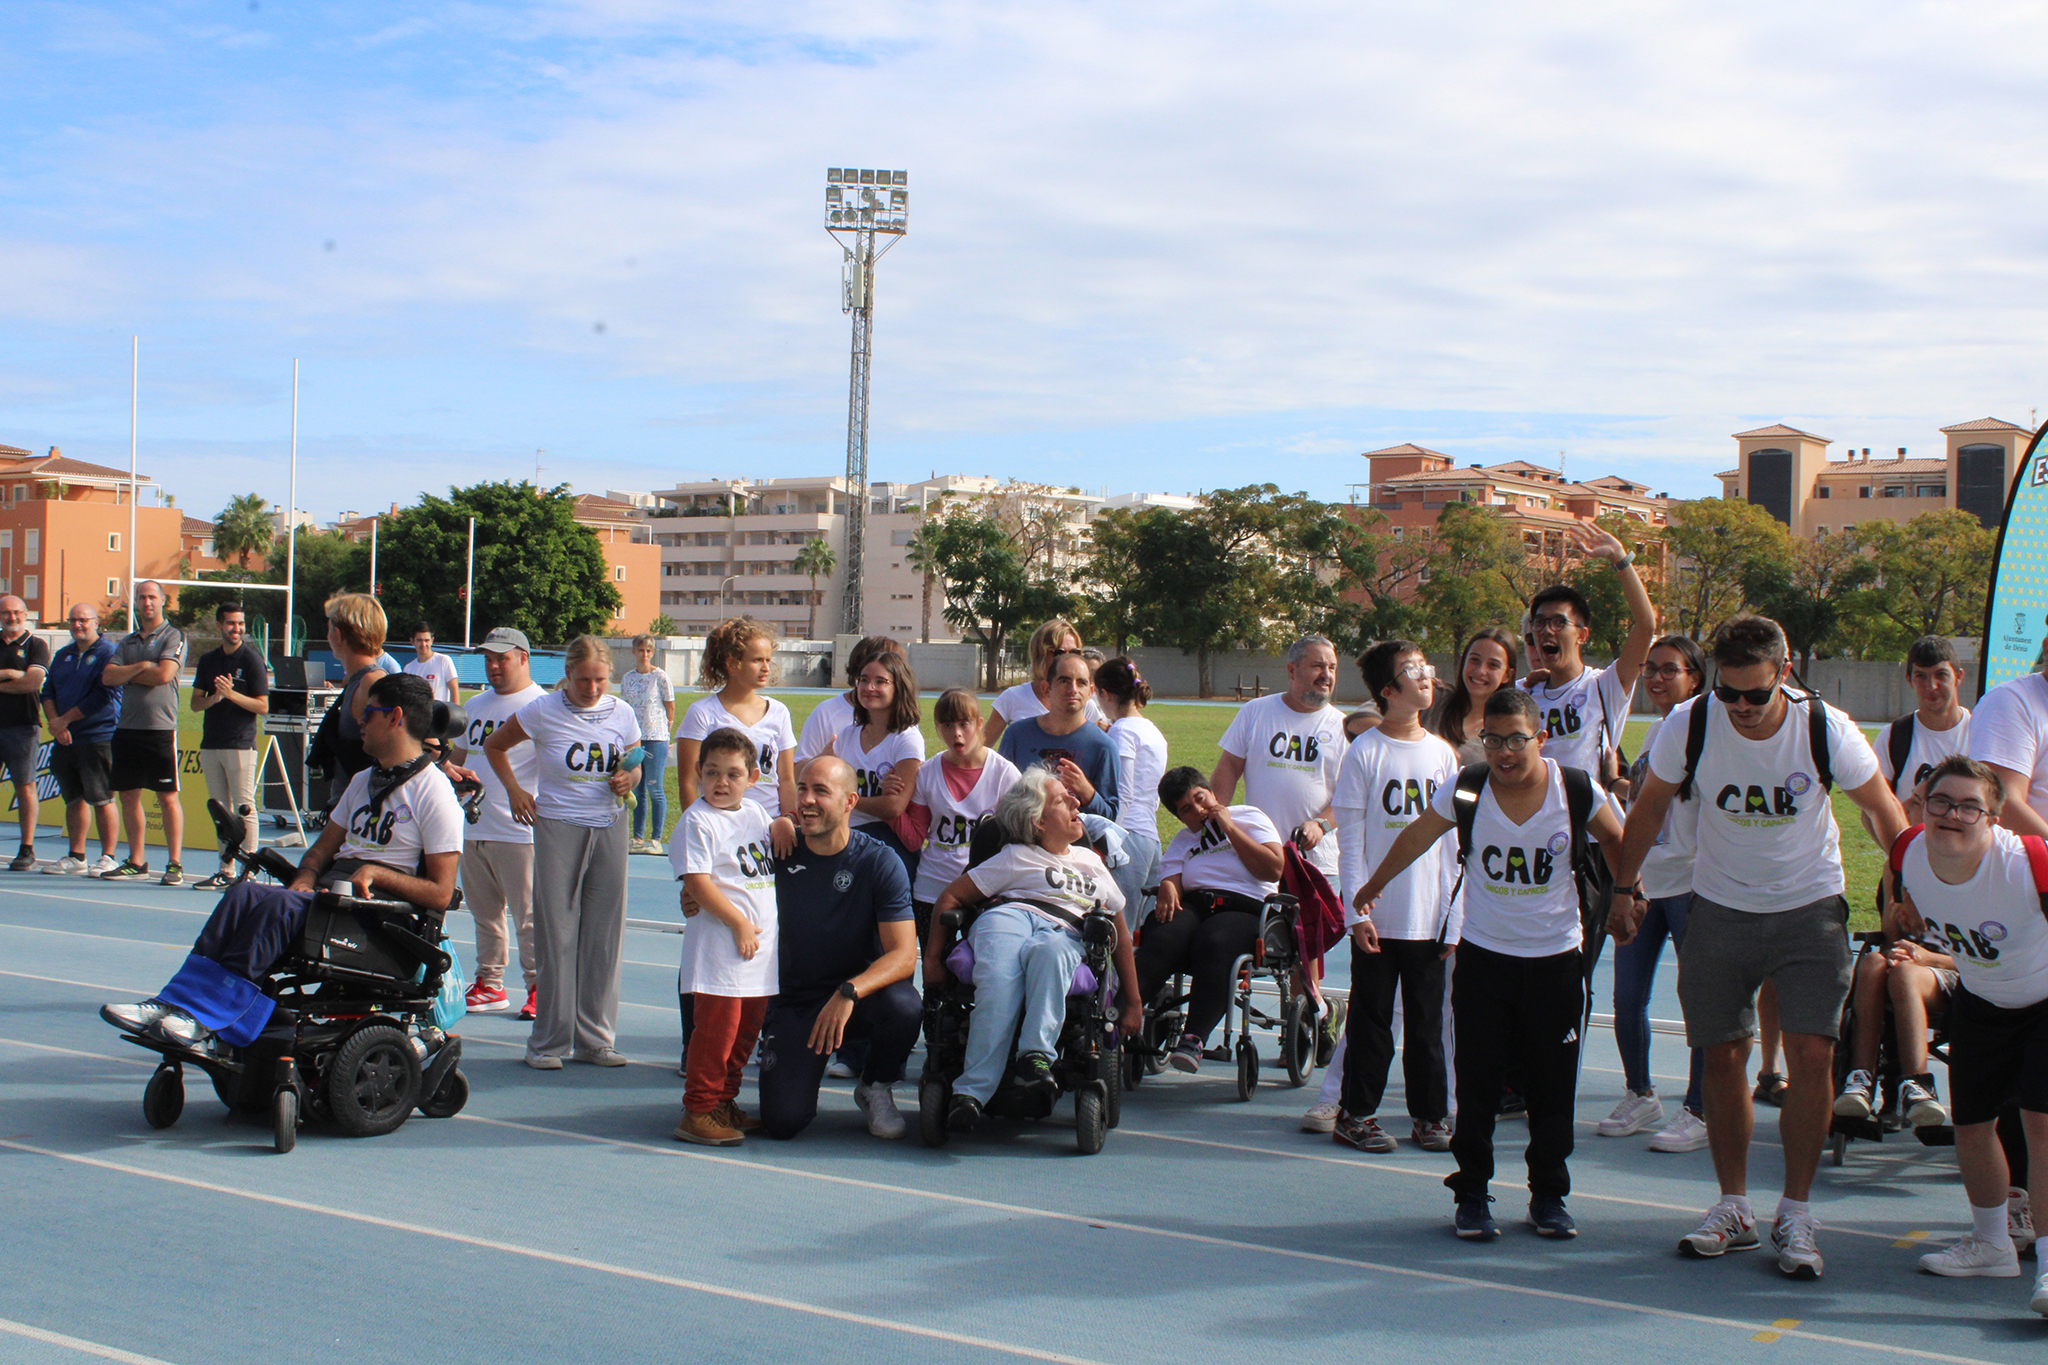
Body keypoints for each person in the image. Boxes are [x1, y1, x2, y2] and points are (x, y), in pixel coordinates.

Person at [1613, 614, 1907, 1280]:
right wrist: (1623, 889)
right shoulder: (1689, 722)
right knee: (1721, 1053)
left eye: (1756, 694)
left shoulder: (1823, 726)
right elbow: (1649, 807)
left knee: (1810, 1053)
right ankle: (1734, 1205)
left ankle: (1797, 1210)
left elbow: (1884, 810)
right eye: (1730, 693)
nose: (1742, 708)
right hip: (1718, 905)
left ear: (1786, 671)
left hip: (1810, 906)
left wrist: (1907, 890)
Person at [1355, 688, 1629, 1242]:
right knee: (1477, 1084)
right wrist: (1375, 883)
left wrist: (1628, 893)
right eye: (1494, 740)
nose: (1505, 753)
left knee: (1551, 1087)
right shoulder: (1468, 788)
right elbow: (1416, 835)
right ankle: (1473, 1193)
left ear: (1541, 738)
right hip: (1485, 958)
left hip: (1555, 960)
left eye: (1516, 741)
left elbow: (1621, 839)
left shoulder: (1575, 790)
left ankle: (1548, 1195)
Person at [99, 674, 461, 1049]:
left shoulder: (434, 793)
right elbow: (321, 850)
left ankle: (207, 1016)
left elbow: (440, 892)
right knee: (244, 894)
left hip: (376, 918)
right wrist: (305, 874)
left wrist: (375, 872)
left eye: (369, 713)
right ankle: (173, 1004)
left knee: (283, 905)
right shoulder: (362, 781)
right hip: (329, 899)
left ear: (395, 717)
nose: (360, 722)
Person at [1889, 757, 2048, 1314]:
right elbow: (1901, 900)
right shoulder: (1907, 851)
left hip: (2045, 1000)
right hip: (1982, 998)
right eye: (1940, 802)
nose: (1951, 815)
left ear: (1995, 819)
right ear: (1922, 804)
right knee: (1972, 1125)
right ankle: (1992, 1243)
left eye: (1968, 807)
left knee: (2039, 1123)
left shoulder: (2028, 863)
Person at [926, 766, 1142, 1131]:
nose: (1076, 802)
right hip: (1008, 917)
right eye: (1062, 800)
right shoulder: (1014, 856)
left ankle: (1035, 1057)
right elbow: (950, 896)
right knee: (998, 982)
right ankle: (971, 1094)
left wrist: (1133, 1001)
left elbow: (1118, 926)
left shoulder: (1091, 863)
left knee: (1052, 952)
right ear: (1039, 822)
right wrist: (932, 958)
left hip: (1065, 928)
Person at [485, 634, 641, 1069]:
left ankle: (596, 1040)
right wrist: (516, 790)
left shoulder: (623, 713)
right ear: (567, 675)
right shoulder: (542, 710)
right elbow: (494, 746)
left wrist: (630, 778)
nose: (592, 689)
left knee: (604, 937)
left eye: (601, 680)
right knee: (557, 935)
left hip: (609, 825)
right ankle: (549, 1042)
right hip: (557, 826)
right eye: (583, 680)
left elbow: (634, 760)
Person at [1328, 640, 1457, 1153]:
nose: (1426, 676)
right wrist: (1354, 912)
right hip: (1378, 918)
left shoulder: (1443, 753)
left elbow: (1454, 844)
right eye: (1412, 670)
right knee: (1372, 1021)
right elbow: (1351, 837)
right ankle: (1356, 1113)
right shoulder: (1366, 752)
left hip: (1429, 917)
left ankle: (1429, 1116)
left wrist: (1455, 915)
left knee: (1428, 1024)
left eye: (1427, 666)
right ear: (1387, 690)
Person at [1601, 634, 1711, 1152]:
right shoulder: (1653, 733)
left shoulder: (1705, 728)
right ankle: (1640, 1092)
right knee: (1627, 996)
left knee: (1700, 1000)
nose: (1657, 678)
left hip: (1693, 884)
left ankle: (1699, 1106)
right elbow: (1649, 802)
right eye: (1652, 669)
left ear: (1695, 676)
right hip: (1646, 880)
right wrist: (1620, 786)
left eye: (1670, 669)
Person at [670, 727, 796, 1146]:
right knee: (715, 1036)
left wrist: (780, 821)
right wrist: (738, 922)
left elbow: (766, 845)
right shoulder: (698, 821)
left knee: (745, 1036)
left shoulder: (755, 814)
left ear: (753, 777)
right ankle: (699, 1110)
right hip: (721, 953)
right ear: (698, 773)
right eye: (712, 773)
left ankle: (724, 1101)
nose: (721, 783)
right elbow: (698, 882)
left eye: (733, 774)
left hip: (759, 957)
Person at [1136, 766, 1287, 1074]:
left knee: (1214, 939)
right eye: (1187, 810)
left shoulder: (1249, 817)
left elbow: (1272, 870)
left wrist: (1229, 827)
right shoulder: (1184, 839)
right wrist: (1167, 884)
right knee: (1162, 933)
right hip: (1196, 906)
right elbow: (1172, 876)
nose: (1199, 811)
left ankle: (1194, 1037)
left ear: (1211, 793)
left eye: (1200, 799)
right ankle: (1122, 1011)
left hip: (1244, 908)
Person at [447, 626, 547, 1018]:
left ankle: (541, 986)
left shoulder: (540, 706)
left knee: (528, 917)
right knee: (484, 914)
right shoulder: (475, 705)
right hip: (474, 825)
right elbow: (459, 756)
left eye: (501, 658)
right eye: (488, 658)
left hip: (519, 830)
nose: (493, 666)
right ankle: (489, 983)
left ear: (523, 658)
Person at [1522, 522, 1655, 791]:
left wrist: (1619, 558)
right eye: (1539, 622)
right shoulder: (1522, 694)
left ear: (1582, 635)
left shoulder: (1603, 686)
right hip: (1535, 825)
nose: (1547, 630)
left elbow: (1646, 626)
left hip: (1589, 827)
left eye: (1559, 623)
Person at [1211, 635, 1346, 885]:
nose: (1326, 674)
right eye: (1317, 665)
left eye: (1332, 667)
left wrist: (1320, 825)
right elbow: (1229, 767)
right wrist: (1212, 821)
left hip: (1318, 865)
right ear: (1292, 669)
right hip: (1258, 856)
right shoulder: (1255, 711)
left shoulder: (1343, 727)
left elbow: (1349, 796)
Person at [905, 689, 1021, 944]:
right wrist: (892, 804)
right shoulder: (927, 773)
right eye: (947, 725)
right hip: (933, 887)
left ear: (979, 724)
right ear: (938, 728)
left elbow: (1021, 836)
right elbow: (915, 837)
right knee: (935, 974)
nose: (956, 733)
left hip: (985, 889)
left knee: (979, 970)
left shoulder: (1004, 774)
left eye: (963, 724)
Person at [675, 618, 795, 852]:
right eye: (757, 660)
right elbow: (689, 781)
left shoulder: (779, 712)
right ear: (733, 663)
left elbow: (787, 779)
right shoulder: (702, 713)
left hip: (769, 829)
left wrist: (789, 820)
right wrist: (696, 832)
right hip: (720, 827)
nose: (766, 668)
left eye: (768, 660)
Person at [99, 580, 188, 885]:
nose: (146, 602)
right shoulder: (127, 642)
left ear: (163, 600)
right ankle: (136, 860)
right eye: (141, 597)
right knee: (128, 797)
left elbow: (164, 674)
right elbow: (109, 677)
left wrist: (132, 672)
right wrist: (142, 666)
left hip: (159, 729)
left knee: (166, 799)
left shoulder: (174, 635)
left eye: (152, 597)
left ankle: (174, 863)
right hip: (126, 728)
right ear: (135, 602)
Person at [1832, 932, 1956, 1127]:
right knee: (1873, 962)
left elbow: (1984, 960)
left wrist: (1927, 957)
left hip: (1954, 971)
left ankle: (1918, 1083)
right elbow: (1890, 939)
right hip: (1904, 965)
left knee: (1904, 973)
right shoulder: (1908, 899)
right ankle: (1860, 1079)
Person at [189, 602, 271, 890]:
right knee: (221, 811)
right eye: (230, 624)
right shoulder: (208, 660)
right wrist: (215, 698)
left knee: (244, 807)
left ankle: (248, 872)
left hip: (240, 743)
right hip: (212, 742)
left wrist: (232, 694)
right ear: (219, 626)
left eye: (240, 624)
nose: (236, 629)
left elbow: (262, 706)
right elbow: (195, 702)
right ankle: (226, 868)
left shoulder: (252, 660)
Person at [825, 649, 924, 877]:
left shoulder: (906, 739)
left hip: (887, 841)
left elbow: (894, 806)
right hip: (846, 835)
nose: (869, 688)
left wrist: (844, 799)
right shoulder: (847, 735)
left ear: (898, 687)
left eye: (881, 681)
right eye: (864, 680)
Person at [38, 603, 121, 876]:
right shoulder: (63, 655)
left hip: (97, 736)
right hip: (65, 739)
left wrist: (65, 720)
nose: (78, 625)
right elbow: (47, 691)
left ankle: (108, 856)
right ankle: (77, 856)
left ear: (96, 622)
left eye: (83, 620)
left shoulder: (108, 653)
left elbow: (102, 695)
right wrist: (55, 723)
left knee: (102, 798)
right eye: (73, 620)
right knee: (73, 799)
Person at [997, 650, 1121, 823]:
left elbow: (1110, 817)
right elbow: (998, 798)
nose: (1073, 690)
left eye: (1081, 683)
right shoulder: (1017, 735)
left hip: (1079, 846)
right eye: (1064, 681)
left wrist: (1087, 792)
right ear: (1047, 689)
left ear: (1090, 691)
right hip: (1023, 843)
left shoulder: (1103, 746)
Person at [1097, 657, 1167, 929]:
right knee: (1140, 929)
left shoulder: (1122, 731)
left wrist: (1108, 837)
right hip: (1150, 836)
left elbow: (1122, 793)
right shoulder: (1152, 730)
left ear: (1106, 694)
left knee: (1118, 928)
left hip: (1127, 837)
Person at [983, 617, 1108, 748]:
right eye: (1059, 653)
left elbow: (1097, 751)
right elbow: (980, 751)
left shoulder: (1082, 702)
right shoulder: (1012, 698)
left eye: (1074, 653)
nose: (1067, 659)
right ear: (1040, 654)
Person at [316, 593, 392, 800]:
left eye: (329, 628)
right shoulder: (356, 680)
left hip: (361, 812)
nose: (327, 637)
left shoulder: (371, 682)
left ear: (339, 635)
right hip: (348, 807)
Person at [0, 594, 51, 870]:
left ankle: (26, 848)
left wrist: (12, 674)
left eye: (17, 612)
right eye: (6, 613)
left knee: (25, 787)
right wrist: (11, 674)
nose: (12, 617)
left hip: (22, 726)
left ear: (26, 614)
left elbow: (33, 682)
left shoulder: (36, 645)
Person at [795, 635, 901, 765]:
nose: (871, 687)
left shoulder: (903, 718)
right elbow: (797, 769)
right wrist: (822, 760)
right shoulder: (827, 712)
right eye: (866, 677)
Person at [622, 632, 679, 855]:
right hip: (635, 738)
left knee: (655, 788)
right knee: (637, 790)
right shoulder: (628, 678)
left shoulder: (661, 677)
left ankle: (655, 839)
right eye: (641, 650)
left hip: (656, 737)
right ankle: (637, 838)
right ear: (634, 652)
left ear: (652, 653)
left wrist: (667, 728)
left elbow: (670, 705)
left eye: (648, 651)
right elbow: (626, 707)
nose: (644, 654)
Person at [402, 626, 460, 705]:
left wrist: (455, 715)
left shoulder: (443, 660)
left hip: (439, 715)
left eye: (426, 640)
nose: (423, 644)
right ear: (412, 641)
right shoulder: (408, 668)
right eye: (419, 640)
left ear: (432, 641)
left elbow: (454, 689)